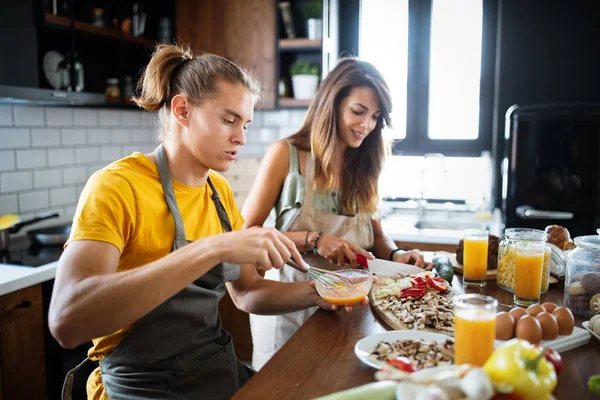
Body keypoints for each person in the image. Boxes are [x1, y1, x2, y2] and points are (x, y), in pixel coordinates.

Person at [48, 44, 369, 400]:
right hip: (143, 387)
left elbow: (248, 292)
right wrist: (214, 247)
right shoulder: (117, 187)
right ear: (182, 110)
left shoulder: (218, 191)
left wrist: (321, 293)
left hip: (217, 372)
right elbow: (67, 321)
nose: (241, 138)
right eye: (229, 120)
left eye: (245, 124)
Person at [242, 57, 429, 369]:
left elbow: (378, 236)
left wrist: (398, 255)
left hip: (351, 315)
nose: (367, 125)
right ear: (331, 104)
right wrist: (313, 240)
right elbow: (246, 235)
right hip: (290, 316)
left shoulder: (366, 165)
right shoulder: (286, 156)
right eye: (358, 111)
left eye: (375, 116)